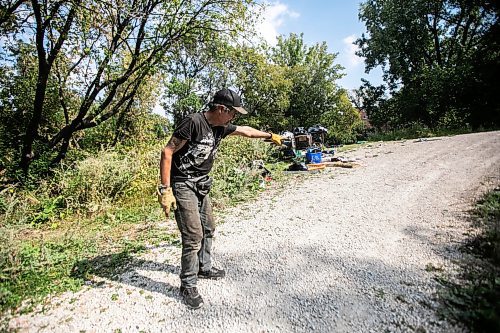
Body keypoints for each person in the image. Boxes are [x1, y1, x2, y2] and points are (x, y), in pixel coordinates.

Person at [158, 88, 282, 309]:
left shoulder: (221, 127)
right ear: (222, 109)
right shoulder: (193, 122)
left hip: (202, 183)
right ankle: (187, 284)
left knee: (209, 227)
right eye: (233, 113)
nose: (234, 118)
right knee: (193, 235)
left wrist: (269, 135)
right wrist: (165, 189)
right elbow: (167, 151)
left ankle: (204, 267)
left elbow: (245, 131)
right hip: (183, 183)